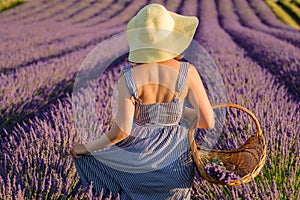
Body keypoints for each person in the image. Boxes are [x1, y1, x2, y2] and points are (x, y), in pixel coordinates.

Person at [71, 3, 214, 199]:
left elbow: (121, 131)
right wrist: (175, 111)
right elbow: (207, 121)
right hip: (176, 169)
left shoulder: (129, 77)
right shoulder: (188, 73)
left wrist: (86, 148)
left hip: (136, 167)